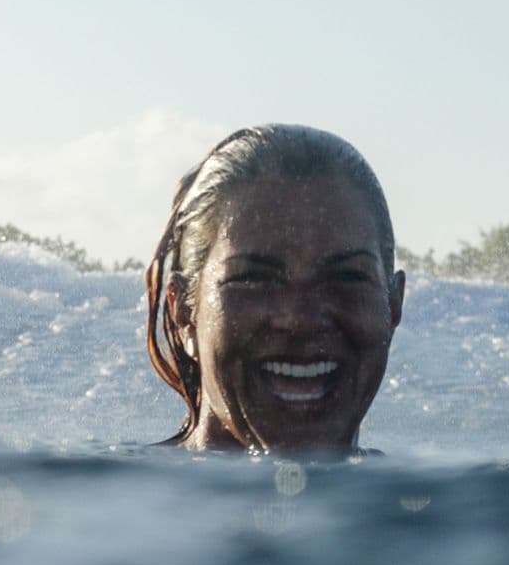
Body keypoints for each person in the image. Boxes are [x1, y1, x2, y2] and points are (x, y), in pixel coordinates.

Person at [145, 124, 405, 453]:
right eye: (253, 278)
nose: (301, 319)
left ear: (393, 305)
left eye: (347, 277)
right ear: (183, 312)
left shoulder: (426, 503)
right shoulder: (110, 499)